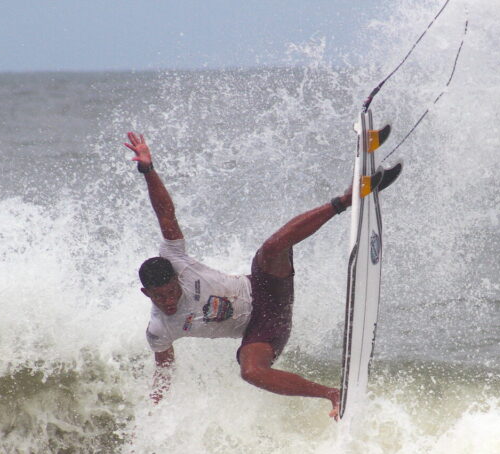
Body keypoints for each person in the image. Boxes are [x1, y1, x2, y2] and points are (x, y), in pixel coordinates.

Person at [125, 131, 350, 419]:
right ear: (146, 294)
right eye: (159, 297)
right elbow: (164, 370)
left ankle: (344, 201)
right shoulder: (160, 329)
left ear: (177, 279)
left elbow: (165, 214)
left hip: (264, 287)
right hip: (263, 330)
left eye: (171, 292)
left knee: (271, 248)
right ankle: (333, 394)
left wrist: (148, 170)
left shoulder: (175, 258)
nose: (168, 301)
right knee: (251, 372)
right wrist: (152, 413)